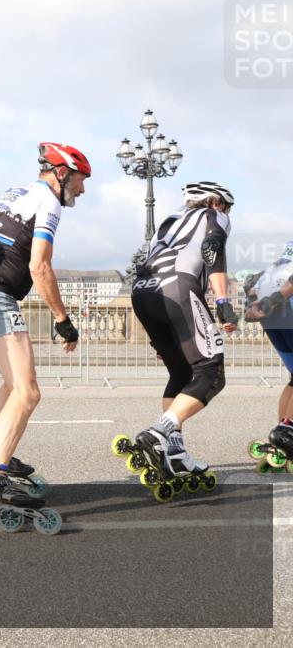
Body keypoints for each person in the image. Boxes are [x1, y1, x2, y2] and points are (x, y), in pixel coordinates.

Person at [0, 143, 90, 507]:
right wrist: (62, 319)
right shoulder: (49, 202)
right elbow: (39, 266)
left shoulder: (14, 193)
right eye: (81, 179)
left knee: (14, 385)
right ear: (62, 173)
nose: (82, 189)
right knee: (28, 393)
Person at [130, 182, 239, 482]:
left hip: (142, 292)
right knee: (211, 373)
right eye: (227, 207)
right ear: (216, 202)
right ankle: (159, 432)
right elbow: (211, 249)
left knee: (181, 372)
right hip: (178, 288)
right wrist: (223, 302)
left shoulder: (168, 221)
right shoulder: (213, 214)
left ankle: (175, 451)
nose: (228, 213)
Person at [244, 240, 293, 469]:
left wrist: (257, 304)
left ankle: (281, 436)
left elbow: (254, 281)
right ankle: (288, 433)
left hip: (272, 316)